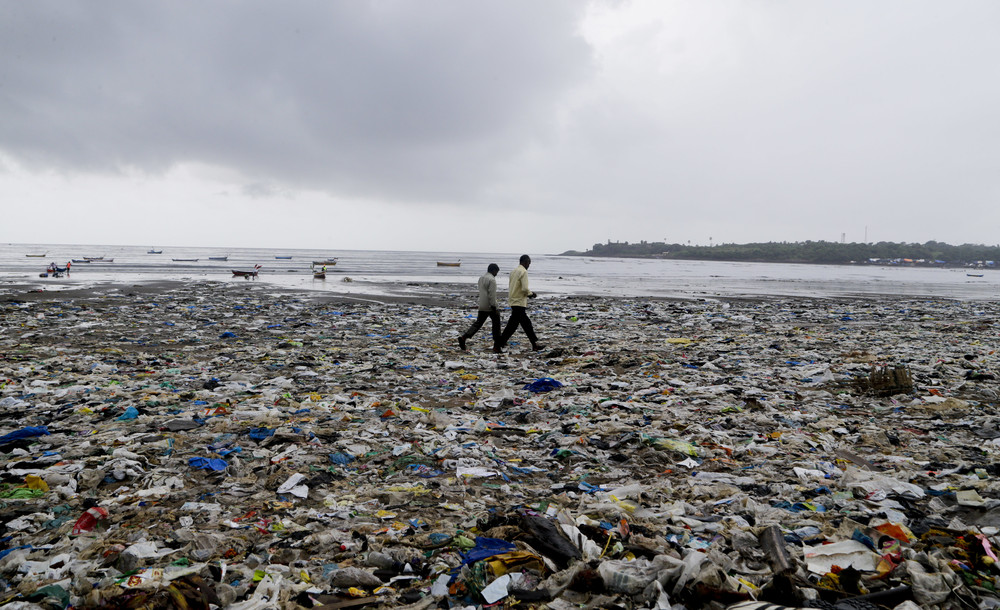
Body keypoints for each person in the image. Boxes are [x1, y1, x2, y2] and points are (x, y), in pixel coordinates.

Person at [494, 254, 544, 353]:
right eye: (529, 263)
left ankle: (534, 345)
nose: (529, 265)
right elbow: (525, 288)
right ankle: (498, 344)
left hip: (513, 300)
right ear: (525, 262)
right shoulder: (523, 272)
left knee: (514, 325)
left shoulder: (513, 272)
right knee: (524, 324)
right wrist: (531, 294)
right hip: (520, 302)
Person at [458, 263, 501, 350]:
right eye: (496, 272)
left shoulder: (481, 278)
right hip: (490, 306)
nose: (496, 274)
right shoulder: (492, 280)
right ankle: (497, 345)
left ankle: (464, 337)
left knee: (478, 324)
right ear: (493, 271)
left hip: (482, 305)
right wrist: (494, 306)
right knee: (496, 324)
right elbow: (492, 295)